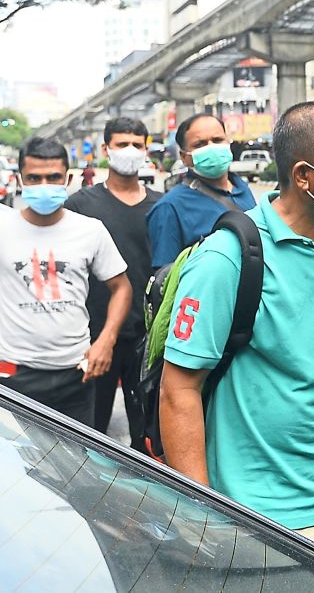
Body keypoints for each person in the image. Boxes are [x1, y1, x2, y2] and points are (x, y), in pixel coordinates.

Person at [159, 102, 314, 537]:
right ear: (302, 176)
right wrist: (201, 515)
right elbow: (178, 390)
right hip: (256, 514)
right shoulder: (227, 258)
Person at [0, 137, 131, 424]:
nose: (44, 184)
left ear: (68, 178)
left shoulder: (90, 230)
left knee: (77, 464)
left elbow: (121, 287)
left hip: (77, 372)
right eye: (34, 178)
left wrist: (106, 341)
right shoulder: (3, 227)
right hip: (14, 374)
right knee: (18, 465)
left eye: (53, 177)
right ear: (20, 179)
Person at [64, 118, 162, 446]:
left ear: (146, 150)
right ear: (106, 149)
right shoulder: (81, 205)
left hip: (148, 337)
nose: (130, 151)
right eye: (122, 144)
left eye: (137, 144)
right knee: (88, 434)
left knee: (147, 436)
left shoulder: (162, 205)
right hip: (95, 336)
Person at [147, 113, 256, 269]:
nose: (211, 147)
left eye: (218, 140)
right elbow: (166, 279)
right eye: (200, 144)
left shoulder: (243, 189)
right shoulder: (169, 208)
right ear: (184, 157)